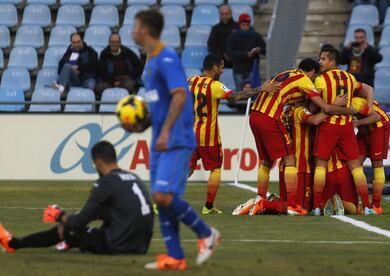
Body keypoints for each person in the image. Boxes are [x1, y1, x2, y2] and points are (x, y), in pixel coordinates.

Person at [130, 10, 220, 271]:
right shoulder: (151, 60)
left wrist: (167, 130)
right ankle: (176, 256)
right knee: (161, 198)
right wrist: (144, 124)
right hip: (161, 137)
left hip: (176, 138)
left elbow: (180, 96)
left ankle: (206, 234)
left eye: (135, 26)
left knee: (162, 195)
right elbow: (161, 102)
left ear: (145, 30)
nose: (133, 31)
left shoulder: (167, 57)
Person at [240, 58, 353, 216]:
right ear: (312, 72)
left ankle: (261, 198)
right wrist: (343, 107)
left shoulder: (286, 74)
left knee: (266, 161)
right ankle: (279, 204)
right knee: (289, 159)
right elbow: (323, 109)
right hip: (272, 120)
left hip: (255, 114)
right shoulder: (304, 83)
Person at [0, 141, 153, 255]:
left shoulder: (105, 182)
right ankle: (69, 242)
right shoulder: (134, 177)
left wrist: (59, 215)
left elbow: (78, 221)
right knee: (103, 215)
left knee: (66, 228)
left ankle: (14, 243)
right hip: (141, 246)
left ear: (98, 162)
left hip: (119, 246)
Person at [187, 54, 277, 215]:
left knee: (186, 168)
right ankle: (208, 207)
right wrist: (260, 89)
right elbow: (236, 97)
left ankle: (162, 199)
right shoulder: (214, 86)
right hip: (209, 135)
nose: (222, 71)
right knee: (215, 169)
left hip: (192, 132)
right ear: (214, 67)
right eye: (221, 67)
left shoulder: (191, 80)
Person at [312, 47, 376, 216]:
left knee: (321, 165)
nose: (320, 62)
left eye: (323, 59)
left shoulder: (321, 79)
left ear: (332, 62)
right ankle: (367, 207)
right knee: (356, 167)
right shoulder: (350, 77)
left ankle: (317, 206)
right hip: (347, 126)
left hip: (329, 125)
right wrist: (367, 106)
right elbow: (366, 89)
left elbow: (313, 106)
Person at [352, 96, 390, 214]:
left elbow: (376, 116)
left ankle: (376, 206)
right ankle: (359, 202)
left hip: (378, 127)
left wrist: (358, 123)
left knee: (377, 165)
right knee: (354, 164)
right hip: (364, 129)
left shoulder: (355, 102)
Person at [96, 33, 143, 99]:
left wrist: (132, 76)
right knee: (99, 87)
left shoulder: (127, 52)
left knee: (130, 85)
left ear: (120, 42)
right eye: (112, 42)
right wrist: (113, 82)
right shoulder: (104, 54)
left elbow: (139, 66)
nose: (114, 44)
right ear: (109, 42)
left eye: (116, 42)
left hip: (126, 78)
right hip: (109, 80)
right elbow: (101, 72)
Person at [226, 13, 266, 91]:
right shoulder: (233, 37)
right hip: (238, 69)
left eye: (247, 25)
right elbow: (230, 53)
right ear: (239, 24)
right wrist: (246, 55)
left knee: (253, 91)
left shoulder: (256, 36)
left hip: (252, 68)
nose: (245, 27)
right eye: (243, 25)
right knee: (240, 92)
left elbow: (265, 50)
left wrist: (259, 49)